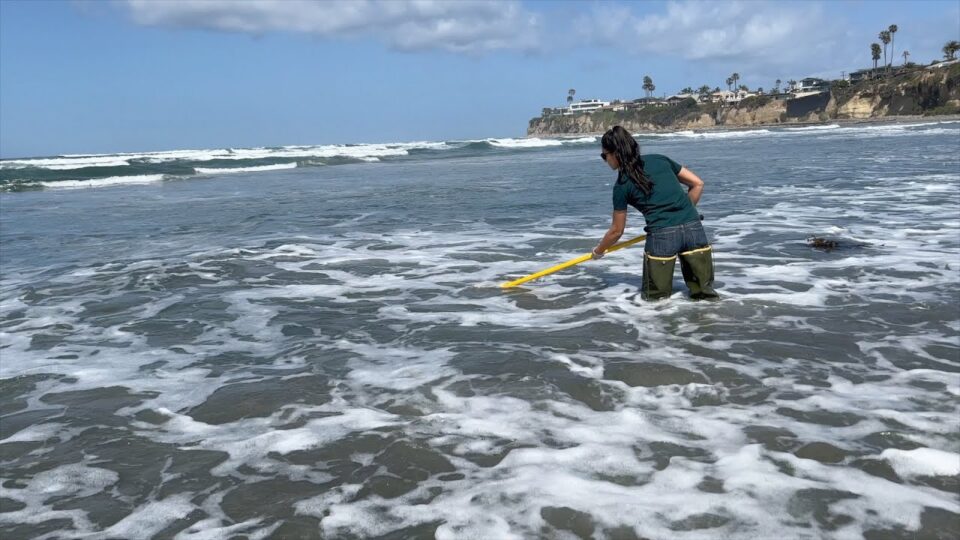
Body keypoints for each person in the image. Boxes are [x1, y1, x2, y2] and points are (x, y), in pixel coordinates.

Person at [592, 125, 718, 300]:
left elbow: (616, 231)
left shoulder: (621, 185)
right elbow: (697, 184)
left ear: (615, 154)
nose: (605, 160)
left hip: (662, 237)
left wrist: (598, 251)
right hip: (694, 229)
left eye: (604, 155)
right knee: (706, 296)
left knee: (655, 302)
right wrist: (684, 213)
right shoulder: (660, 160)